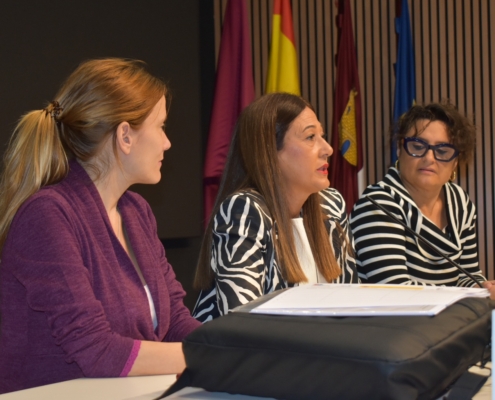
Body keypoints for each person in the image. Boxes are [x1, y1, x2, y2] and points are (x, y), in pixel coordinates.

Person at [0, 58, 201, 393]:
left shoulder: (136, 211)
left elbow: (175, 321)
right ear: (125, 135)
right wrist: (205, 355)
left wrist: (228, 347)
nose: (167, 143)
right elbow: (97, 351)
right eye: (161, 126)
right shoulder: (47, 215)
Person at [192, 93, 358, 323]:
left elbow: (353, 308)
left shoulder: (331, 205)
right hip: (243, 357)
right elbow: (245, 324)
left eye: (323, 136)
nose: (328, 148)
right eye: (310, 137)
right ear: (270, 151)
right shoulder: (244, 211)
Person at [350, 102, 492, 289]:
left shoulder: (460, 203)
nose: (429, 158)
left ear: (455, 162)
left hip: (450, 316)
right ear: (400, 150)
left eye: (442, 150)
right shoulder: (377, 204)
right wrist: (464, 297)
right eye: (418, 146)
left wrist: (481, 288)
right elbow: (395, 289)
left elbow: (468, 275)